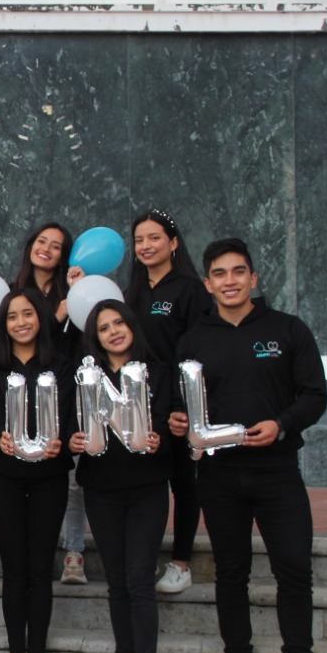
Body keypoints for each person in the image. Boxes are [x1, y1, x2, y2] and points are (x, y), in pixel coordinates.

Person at [170, 238, 327, 653]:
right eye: (220, 274)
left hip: (278, 472)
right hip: (219, 477)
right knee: (230, 575)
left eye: (239, 271)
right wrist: (178, 419)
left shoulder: (287, 329)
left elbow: (315, 395)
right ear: (208, 283)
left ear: (254, 278)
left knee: (295, 572)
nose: (230, 281)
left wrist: (281, 424)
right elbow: (183, 404)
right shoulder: (193, 340)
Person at [69, 299, 171, 653]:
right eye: (104, 326)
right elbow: (70, 421)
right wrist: (74, 440)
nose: (113, 331)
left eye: (119, 323)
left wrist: (161, 434)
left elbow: (166, 419)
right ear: (95, 336)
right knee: (115, 579)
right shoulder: (85, 377)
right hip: (101, 488)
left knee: (139, 578)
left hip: (146, 487)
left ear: (132, 325)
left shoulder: (156, 371)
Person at [0, 289, 73, 653]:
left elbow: (71, 418)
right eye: (12, 316)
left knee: (40, 568)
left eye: (28, 313)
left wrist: (62, 442)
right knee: (15, 569)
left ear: (41, 318)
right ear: (4, 324)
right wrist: (0, 435)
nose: (20, 322)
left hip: (49, 476)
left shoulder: (62, 365)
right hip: (4, 477)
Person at [125, 209, 209, 595]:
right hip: (140, 401)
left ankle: (181, 561)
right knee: (148, 479)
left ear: (173, 243)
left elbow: (196, 353)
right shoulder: (134, 290)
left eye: (154, 238)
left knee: (184, 482)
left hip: (178, 402)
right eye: (140, 240)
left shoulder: (190, 289)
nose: (146, 246)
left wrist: (184, 406)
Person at [11, 222, 89, 584]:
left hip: (67, 390)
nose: (47, 249)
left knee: (72, 476)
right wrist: (55, 317)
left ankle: (74, 551)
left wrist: (77, 295)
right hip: (22, 393)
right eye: (42, 241)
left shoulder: (72, 290)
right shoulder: (14, 293)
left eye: (56, 246)